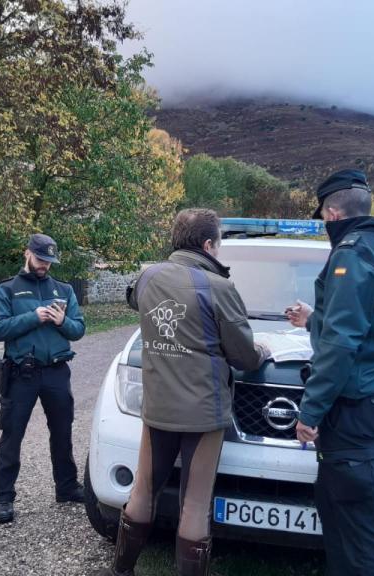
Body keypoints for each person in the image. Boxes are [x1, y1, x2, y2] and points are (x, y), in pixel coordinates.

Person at [95, 208, 270, 576]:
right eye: (217, 244)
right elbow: (243, 356)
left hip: (157, 408)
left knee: (143, 490)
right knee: (194, 504)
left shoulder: (148, 277)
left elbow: (134, 301)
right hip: (204, 414)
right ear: (208, 244)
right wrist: (262, 353)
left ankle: (121, 569)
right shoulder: (219, 288)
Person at [293, 169, 374, 576]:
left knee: (355, 523)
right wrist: (316, 320)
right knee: (349, 512)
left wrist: (310, 411)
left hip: (352, 407)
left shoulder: (351, 252)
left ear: (331, 212)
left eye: (323, 218)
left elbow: (342, 343)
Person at [0, 233, 86, 524]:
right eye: (41, 259)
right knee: (12, 435)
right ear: (27, 254)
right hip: (22, 373)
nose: (45, 265)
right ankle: (3, 498)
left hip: (56, 371)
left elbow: (78, 329)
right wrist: (35, 316)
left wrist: (61, 321)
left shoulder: (63, 289)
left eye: (49, 261)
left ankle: (66, 487)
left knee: (63, 432)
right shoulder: (7, 289)